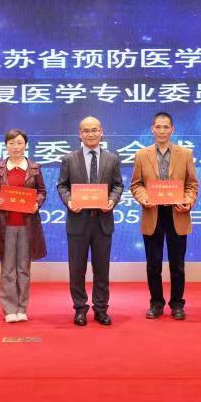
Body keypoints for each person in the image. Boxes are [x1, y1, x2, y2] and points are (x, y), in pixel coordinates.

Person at [130, 112, 198, 320]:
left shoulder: (185, 154)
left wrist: (188, 201)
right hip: (153, 213)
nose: (161, 131)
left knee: (177, 265)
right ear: (152, 129)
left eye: (166, 127)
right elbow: (136, 184)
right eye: (158, 127)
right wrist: (144, 198)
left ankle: (177, 304)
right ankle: (156, 303)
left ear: (172, 129)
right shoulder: (142, 155)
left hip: (177, 213)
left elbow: (192, 184)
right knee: (153, 264)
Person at [57, 116, 123, 326]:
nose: (91, 134)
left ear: (101, 132)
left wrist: (112, 200)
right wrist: (69, 202)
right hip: (78, 221)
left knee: (102, 269)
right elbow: (62, 186)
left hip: (103, 222)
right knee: (77, 269)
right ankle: (80, 308)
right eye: (86, 131)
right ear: (80, 134)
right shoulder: (69, 159)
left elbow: (118, 185)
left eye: (94, 130)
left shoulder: (112, 159)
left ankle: (101, 309)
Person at [0, 129, 48, 323]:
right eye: (11, 143)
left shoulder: (34, 168)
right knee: (7, 270)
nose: (15, 147)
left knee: (23, 269)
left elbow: (42, 191)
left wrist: (37, 202)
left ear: (25, 145)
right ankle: (9, 309)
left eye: (19, 143)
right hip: (5, 225)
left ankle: (22, 308)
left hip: (27, 226)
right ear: (6, 146)